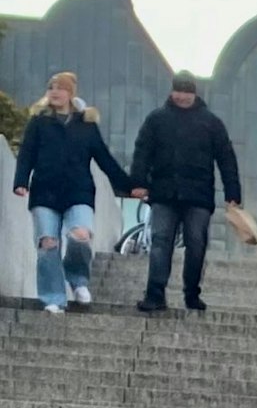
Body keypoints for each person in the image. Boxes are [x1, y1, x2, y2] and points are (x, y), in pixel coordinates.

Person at [10, 70, 131, 312]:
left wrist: (130, 187)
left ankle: (78, 280)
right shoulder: (39, 123)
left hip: (78, 191)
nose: (55, 92)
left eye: (61, 88)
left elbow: (105, 159)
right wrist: (21, 181)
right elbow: (26, 155)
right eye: (52, 88)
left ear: (71, 94)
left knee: (80, 237)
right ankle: (53, 298)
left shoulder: (86, 126)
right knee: (47, 244)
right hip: (45, 191)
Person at [128, 70, 242, 313]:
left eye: (186, 91)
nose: (181, 96)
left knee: (196, 243)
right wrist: (137, 182)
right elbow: (142, 152)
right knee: (160, 242)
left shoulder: (211, 123)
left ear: (194, 93)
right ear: (172, 91)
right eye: (178, 91)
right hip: (164, 193)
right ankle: (155, 294)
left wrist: (233, 193)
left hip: (198, 196)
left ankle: (192, 294)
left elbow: (226, 158)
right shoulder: (156, 119)